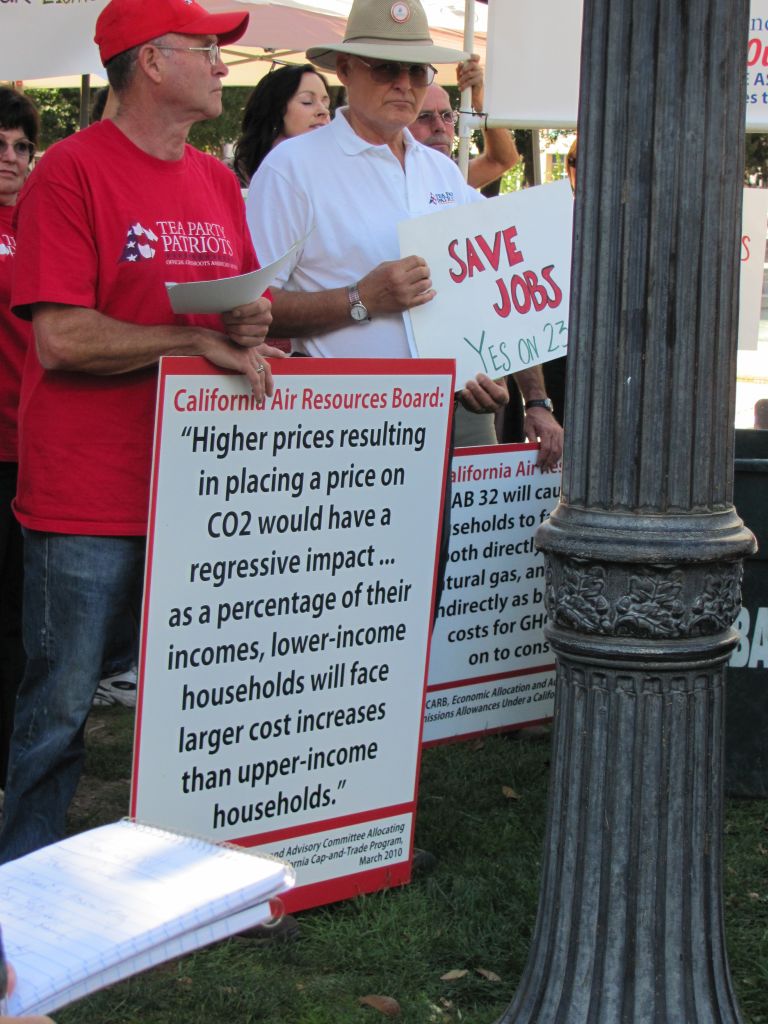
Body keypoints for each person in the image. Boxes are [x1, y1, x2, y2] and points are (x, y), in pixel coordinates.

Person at [0, 0, 284, 864]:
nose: (223, 65)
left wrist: (247, 323)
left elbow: (237, 304)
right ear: (152, 62)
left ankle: (179, 871)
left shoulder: (216, 182)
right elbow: (61, 337)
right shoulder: (70, 171)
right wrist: (191, 341)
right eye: (207, 48)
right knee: (61, 705)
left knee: (192, 698)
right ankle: (23, 882)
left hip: (198, 489)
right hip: (89, 491)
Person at [246, 0, 562, 469]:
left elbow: (502, 281)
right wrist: (361, 299)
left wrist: (532, 397)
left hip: (451, 412)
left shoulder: (440, 171)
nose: (404, 83)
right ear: (346, 70)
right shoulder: (292, 169)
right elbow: (251, 310)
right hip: (346, 423)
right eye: (386, 68)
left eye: (417, 71)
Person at [0, 89, 39, 790]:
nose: (9, 158)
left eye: (21, 146)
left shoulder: (39, 218)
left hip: (30, 446)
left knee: (15, 619)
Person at [409, 54, 519, 191]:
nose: (440, 126)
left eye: (447, 116)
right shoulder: (388, 177)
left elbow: (502, 160)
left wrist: (478, 102)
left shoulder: (452, 175)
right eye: (424, 116)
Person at [234, 63, 331, 186]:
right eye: (307, 102)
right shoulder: (236, 178)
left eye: (325, 103)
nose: (324, 111)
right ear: (275, 111)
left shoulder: (336, 168)